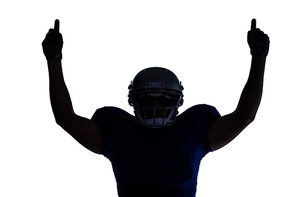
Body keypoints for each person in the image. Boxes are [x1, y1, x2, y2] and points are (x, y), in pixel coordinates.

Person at [42, 18, 269, 197]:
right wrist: (54, 59)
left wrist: (259, 57)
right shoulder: (116, 128)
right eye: (148, 100)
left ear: (177, 101)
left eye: (163, 100)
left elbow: (245, 116)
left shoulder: (195, 126)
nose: (156, 106)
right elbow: (65, 117)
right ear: (134, 101)